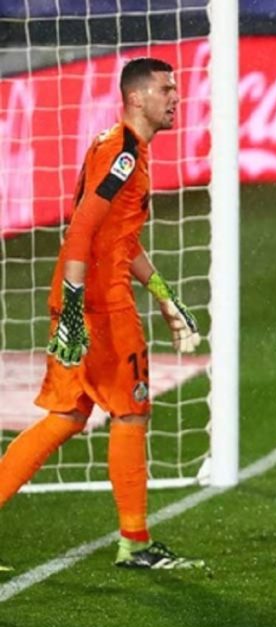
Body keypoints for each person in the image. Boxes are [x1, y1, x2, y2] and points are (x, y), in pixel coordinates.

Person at [0, 58, 204, 570]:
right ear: (136, 98)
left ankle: (135, 540)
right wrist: (74, 310)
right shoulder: (123, 155)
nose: (175, 98)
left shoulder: (117, 146)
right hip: (98, 304)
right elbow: (81, 231)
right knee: (131, 411)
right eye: (165, 89)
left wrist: (163, 294)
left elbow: (120, 239)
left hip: (83, 296)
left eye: (175, 88)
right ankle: (135, 541)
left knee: (67, 416)